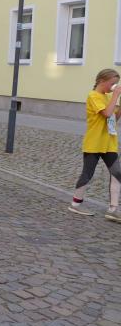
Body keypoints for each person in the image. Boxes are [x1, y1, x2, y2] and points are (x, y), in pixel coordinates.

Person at [68, 69, 121, 221]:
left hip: (109, 143)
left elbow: (113, 118)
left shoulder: (107, 97)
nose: (114, 86)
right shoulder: (93, 96)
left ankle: (113, 209)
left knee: (117, 173)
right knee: (88, 173)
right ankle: (75, 205)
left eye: (116, 84)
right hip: (94, 142)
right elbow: (106, 113)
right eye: (112, 83)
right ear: (101, 81)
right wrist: (116, 95)